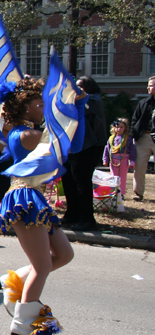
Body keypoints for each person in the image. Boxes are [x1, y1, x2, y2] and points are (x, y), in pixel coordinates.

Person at [0, 77, 83, 335]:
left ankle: (13, 282)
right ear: (25, 108)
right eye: (39, 103)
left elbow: (70, 143)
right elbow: (71, 143)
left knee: (64, 254)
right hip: (25, 200)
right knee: (42, 264)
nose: (43, 107)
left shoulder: (28, 132)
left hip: (35, 200)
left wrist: (75, 104)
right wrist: (75, 105)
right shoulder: (26, 135)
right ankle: (23, 323)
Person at [61, 76, 105, 231]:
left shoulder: (93, 100)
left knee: (82, 182)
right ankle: (72, 213)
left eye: (80, 87)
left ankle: (87, 219)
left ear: (90, 88)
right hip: (74, 146)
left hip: (89, 147)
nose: (77, 89)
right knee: (68, 180)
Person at [130, 76, 155, 201]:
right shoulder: (143, 103)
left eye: (152, 85)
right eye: (149, 85)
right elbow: (135, 120)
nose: (149, 87)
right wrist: (133, 136)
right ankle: (138, 193)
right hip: (144, 137)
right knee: (139, 167)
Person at [102, 118, 136, 199]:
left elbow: (132, 150)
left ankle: (121, 193)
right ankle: (114, 192)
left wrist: (132, 161)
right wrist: (105, 159)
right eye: (117, 127)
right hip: (113, 160)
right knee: (114, 176)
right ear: (114, 128)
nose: (119, 129)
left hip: (124, 160)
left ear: (125, 128)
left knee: (122, 177)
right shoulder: (111, 139)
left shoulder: (128, 139)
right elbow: (107, 149)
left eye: (121, 127)